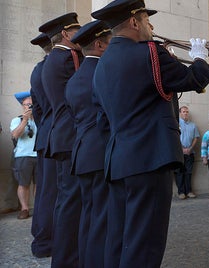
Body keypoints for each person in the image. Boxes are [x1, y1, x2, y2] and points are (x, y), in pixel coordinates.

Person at [91, 0, 209, 266]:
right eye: (147, 20)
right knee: (145, 242)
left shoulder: (100, 65)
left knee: (120, 238)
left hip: (117, 161)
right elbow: (194, 79)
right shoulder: (149, 52)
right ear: (135, 22)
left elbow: (102, 120)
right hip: (149, 158)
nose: (151, 26)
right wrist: (200, 58)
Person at [64, 20, 112, 267]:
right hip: (102, 152)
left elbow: (75, 117)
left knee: (89, 215)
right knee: (104, 217)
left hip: (82, 153)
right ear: (99, 44)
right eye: (110, 40)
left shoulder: (74, 79)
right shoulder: (104, 73)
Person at [38, 12, 83, 266]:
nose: (81, 35)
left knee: (67, 202)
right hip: (70, 136)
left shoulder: (54, 59)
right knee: (70, 203)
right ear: (66, 34)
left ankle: (66, 256)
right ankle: (66, 259)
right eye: (77, 31)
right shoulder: (67, 58)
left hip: (64, 135)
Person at [27, 32, 57, 258]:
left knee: (46, 191)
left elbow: (37, 109)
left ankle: (42, 239)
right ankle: (47, 240)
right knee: (53, 192)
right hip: (58, 137)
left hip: (46, 135)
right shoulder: (55, 68)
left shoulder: (38, 70)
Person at [10, 92, 38, 220]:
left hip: (39, 155)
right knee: (23, 184)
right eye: (27, 105)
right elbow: (15, 135)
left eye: (32, 105)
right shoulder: (17, 120)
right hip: (23, 156)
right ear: (23, 106)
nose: (30, 107)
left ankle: (38, 208)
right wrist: (25, 120)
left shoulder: (40, 120)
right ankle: (24, 208)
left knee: (39, 184)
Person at [175, 106, 200, 199]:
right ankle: (181, 192)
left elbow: (196, 137)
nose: (185, 113)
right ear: (180, 113)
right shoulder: (176, 124)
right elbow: (174, 138)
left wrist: (190, 148)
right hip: (179, 153)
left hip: (190, 152)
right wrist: (181, 149)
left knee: (188, 173)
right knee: (179, 173)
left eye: (187, 112)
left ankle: (189, 191)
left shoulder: (193, 125)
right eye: (184, 111)